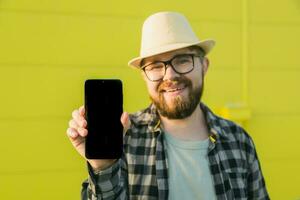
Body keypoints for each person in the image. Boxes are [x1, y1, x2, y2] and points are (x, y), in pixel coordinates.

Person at [66, 11, 269, 200]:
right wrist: (103, 167)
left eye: (182, 60)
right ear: (144, 76)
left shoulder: (239, 140)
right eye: (155, 66)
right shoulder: (124, 138)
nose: (170, 75)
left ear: (204, 66)